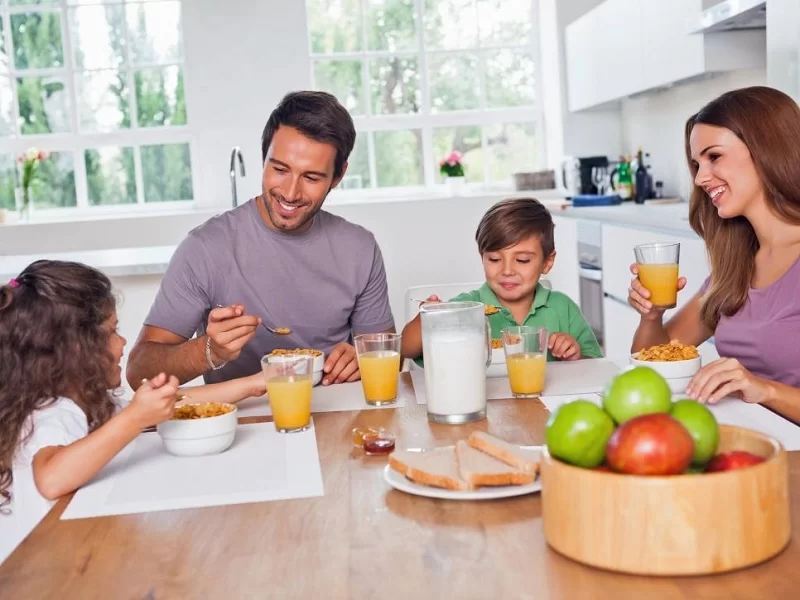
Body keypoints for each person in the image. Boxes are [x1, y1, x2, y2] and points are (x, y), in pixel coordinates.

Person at [126, 91, 395, 389]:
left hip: (337, 415)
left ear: (338, 176)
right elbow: (139, 373)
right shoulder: (204, 249)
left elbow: (385, 353)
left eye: (312, 177)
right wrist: (209, 351)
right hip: (244, 421)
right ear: (263, 157)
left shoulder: (359, 248)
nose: (290, 193)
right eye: (279, 169)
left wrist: (363, 357)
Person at [0, 260, 266, 528]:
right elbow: (50, 480)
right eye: (111, 331)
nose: (123, 341)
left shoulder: (92, 403)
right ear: (74, 349)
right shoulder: (51, 410)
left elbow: (172, 402)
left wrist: (254, 383)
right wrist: (134, 418)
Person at [628, 86, 800, 424]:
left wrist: (764, 389)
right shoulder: (737, 266)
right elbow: (653, 362)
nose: (701, 178)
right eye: (696, 164)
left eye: (714, 157)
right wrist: (652, 315)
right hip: (750, 446)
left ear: (766, 149)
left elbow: (760, 389)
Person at [401, 197, 603, 361]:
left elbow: (594, 364)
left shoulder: (562, 308)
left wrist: (575, 355)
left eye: (522, 260)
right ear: (482, 258)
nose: (507, 270)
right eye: (495, 259)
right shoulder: (465, 310)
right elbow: (406, 350)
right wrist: (426, 318)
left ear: (547, 262)